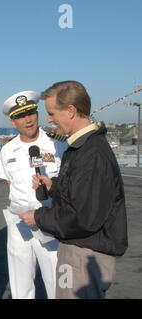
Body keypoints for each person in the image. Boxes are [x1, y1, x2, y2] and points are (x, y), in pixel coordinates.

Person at [19, 80, 128, 299]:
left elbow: (83, 218)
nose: (48, 119)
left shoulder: (91, 153)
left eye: (51, 113)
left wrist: (38, 217)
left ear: (70, 111)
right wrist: (54, 186)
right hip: (82, 251)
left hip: (84, 254)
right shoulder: (83, 147)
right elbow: (83, 193)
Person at [0, 90, 67, 299]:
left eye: (31, 113)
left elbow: (68, 184)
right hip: (19, 225)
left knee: (57, 283)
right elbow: (11, 183)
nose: (28, 119)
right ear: (12, 121)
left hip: (51, 224)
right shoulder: (8, 150)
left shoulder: (58, 144)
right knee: (21, 285)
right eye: (20, 116)